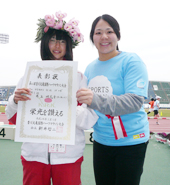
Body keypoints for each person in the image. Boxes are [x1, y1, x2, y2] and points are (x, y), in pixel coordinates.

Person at [5, 11, 98, 185]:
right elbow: (14, 117)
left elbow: (87, 121)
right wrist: (15, 101)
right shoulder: (29, 76)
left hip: (68, 156)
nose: (57, 45)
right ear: (45, 43)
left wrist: (71, 107)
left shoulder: (79, 78)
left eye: (62, 41)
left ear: (69, 45)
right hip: (34, 155)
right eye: (53, 40)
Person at [76, 14, 149, 185]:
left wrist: (95, 99)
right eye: (98, 32)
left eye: (109, 31)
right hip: (102, 140)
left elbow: (134, 101)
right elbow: (86, 105)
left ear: (118, 35)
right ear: (92, 37)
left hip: (131, 141)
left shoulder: (132, 61)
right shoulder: (90, 68)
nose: (104, 37)